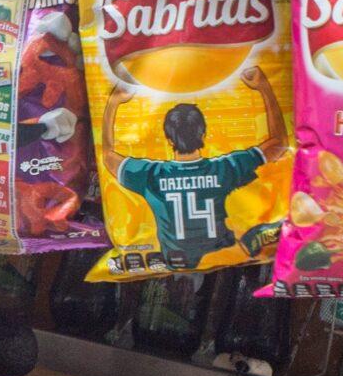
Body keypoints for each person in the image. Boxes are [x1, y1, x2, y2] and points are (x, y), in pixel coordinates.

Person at [108, 66, 288, 270]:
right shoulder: (224, 169)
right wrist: (264, 87)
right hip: (228, 255)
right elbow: (279, 143)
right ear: (203, 135)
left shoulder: (151, 175)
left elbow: (107, 156)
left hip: (175, 263)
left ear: (169, 139)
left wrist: (113, 103)